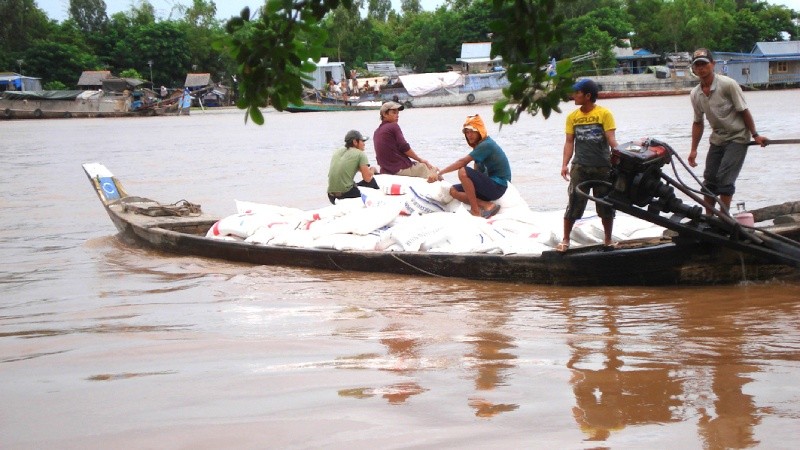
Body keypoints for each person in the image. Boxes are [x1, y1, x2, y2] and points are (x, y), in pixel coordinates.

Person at [687, 48, 768, 214]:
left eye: (704, 64)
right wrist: (693, 150)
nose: (701, 68)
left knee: (725, 179)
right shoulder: (695, 94)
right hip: (717, 139)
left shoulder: (727, 84)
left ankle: (724, 217)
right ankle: (709, 217)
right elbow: (698, 123)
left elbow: (744, 111)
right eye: (698, 65)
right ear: (694, 69)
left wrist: (756, 135)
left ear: (713, 64)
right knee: (709, 179)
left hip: (737, 137)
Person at [558, 78, 620, 252]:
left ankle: (608, 239)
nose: (574, 96)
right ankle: (565, 240)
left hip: (603, 167)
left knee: (605, 205)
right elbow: (569, 142)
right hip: (580, 167)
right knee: (574, 203)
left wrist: (622, 155)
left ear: (587, 96)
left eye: (577, 92)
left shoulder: (604, 114)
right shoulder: (573, 117)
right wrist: (564, 164)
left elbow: (611, 139)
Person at [428, 114, 511, 218]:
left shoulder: (486, 145)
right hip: (489, 185)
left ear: (479, 131)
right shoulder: (478, 148)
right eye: (467, 132)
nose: (469, 135)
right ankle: (487, 205)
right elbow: (477, 172)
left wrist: (439, 173)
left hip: (498, 186)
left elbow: (462, 162)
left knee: (463, 171)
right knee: (453, 190)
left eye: (472, 131)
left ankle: (475, 211)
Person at [373, 101, 437, 178]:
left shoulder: (377, 132)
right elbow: (404, 147)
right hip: (399, 169)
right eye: (394, 113)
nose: (397, 115)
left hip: (386, 170)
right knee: (429, 169)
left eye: (397, 113)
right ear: (384, 114)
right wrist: (420, 160)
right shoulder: (393, 126)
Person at [327, 130, 379, 204]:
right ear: (355, 142)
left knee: (353, 184)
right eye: (362, 141)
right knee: (372, 181)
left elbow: (346, 169)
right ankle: (379, 202)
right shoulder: (360, 154)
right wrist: (373, 170)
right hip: (347, 194)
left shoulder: (337, 151)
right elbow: (367, 179)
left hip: (331, 196)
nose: (364, 144)